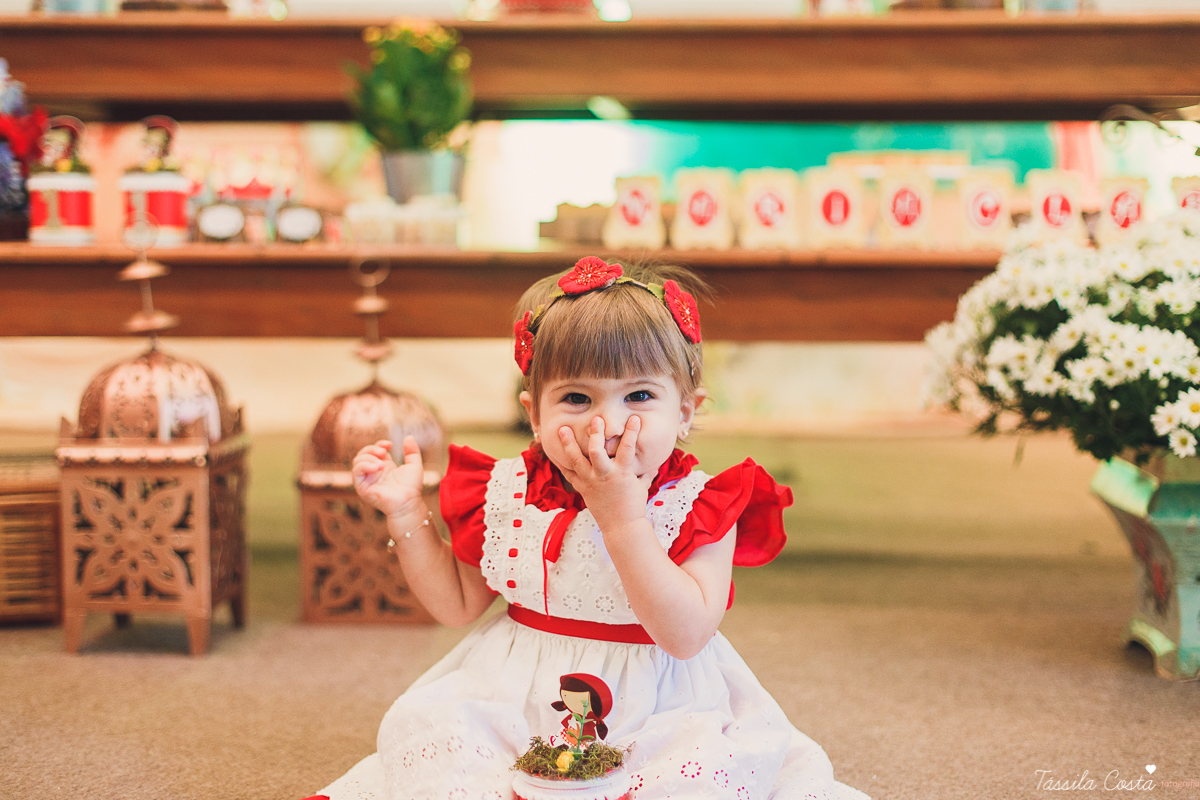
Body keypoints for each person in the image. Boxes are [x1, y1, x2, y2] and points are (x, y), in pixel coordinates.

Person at [314, 258, 868, 800]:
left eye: (640, 396)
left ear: (686, 412)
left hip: (661, 707)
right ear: (535, 415)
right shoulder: (507, 491)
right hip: (515, 697)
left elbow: (685, 634)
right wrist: (408, 513)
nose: (604, 423)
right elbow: (457, 605)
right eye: (576, 398)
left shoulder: (698, 503)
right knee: (440, 743)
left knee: (691, 777)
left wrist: (622, 515)